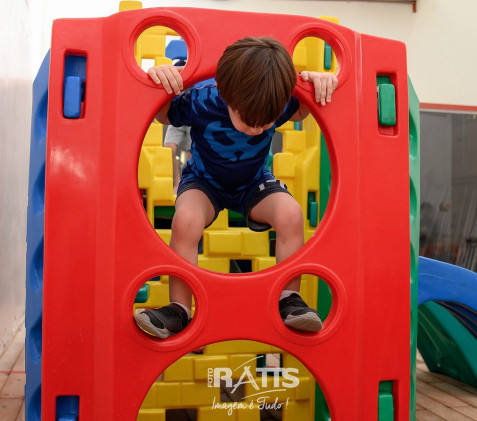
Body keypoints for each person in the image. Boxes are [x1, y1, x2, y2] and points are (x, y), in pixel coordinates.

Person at [134, 37, 338, 339]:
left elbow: (300, 111)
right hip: (204, 182)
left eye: (266, 124)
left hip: (253, 182)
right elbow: (164, 114)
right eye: (248, 121)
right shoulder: (203, 99)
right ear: (227, 95)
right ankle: (179, 308)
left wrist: (316, 83)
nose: (256, 129)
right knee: (186, 219)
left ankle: (289, 299)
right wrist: (163, 80)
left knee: (291, 214)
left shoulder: (275, 100)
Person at [164, 125, 191, 194]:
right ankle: (177, 183)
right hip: (179, 118)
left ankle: (191, 185)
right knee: (169, 149)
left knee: (192, 153)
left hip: (195, 120)